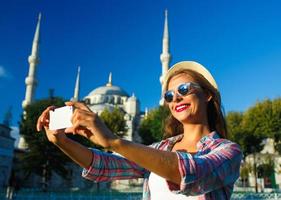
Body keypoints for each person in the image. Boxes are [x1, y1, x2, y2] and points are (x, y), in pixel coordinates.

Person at [37, 61, 242, 200]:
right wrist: (62, 141)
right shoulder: (162, 147)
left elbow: (190, 174)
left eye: (183, 90)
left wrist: (113, 141)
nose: (176, 98)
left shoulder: (227, 151)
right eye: (169, 95)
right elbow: (105, 166)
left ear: (207, 95)